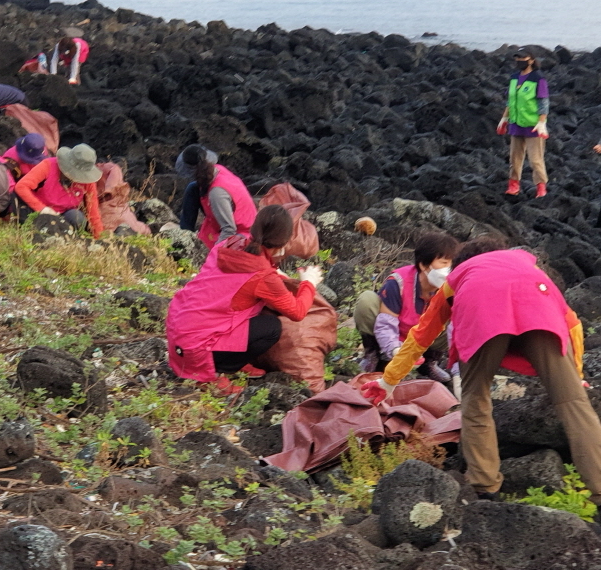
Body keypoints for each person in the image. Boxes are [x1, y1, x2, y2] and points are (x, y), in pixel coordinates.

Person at [368, 237, 601, 503]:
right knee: (573, 403)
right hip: (538, 308)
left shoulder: (457, 278)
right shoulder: (530, 267)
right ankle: (599, 488)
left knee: (476, 400)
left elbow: (421, 336)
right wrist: (576, 375)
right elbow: (573, 325)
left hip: (482, 313)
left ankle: (485, 486)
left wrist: (388, 381)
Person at [166, 205, 324, 394]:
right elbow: (297, 312)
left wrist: (274, 273)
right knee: (271, 327)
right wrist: (309, 283)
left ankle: (229, 364)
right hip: (196, 350)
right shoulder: (263, 276)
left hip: (177, 333)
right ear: (284, 242)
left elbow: (240, 275)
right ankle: (216, 374)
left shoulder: (228, 244)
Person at [352, 232, 459, 382]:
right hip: (396, 334)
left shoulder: (452, 288)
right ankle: (373, 355)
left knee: (454, 319)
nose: (448, 270)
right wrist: (396, 351)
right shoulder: (398, 282)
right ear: (423, 265)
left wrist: (459, 373)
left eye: (452, 264)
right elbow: (385, 324)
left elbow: (457, 331)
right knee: (367, 300)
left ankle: (428, 363)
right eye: (443, 263)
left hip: (426, 336)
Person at [175, 144, 258, 249]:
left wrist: (213, 255)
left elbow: (229, 230)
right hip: (226, 219)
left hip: (241, 232)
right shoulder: (217, 169)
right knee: (192, 188)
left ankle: (186, 244)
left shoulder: (217, 193)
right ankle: (185, 235)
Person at [14, 144, 104, 238]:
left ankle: (67, 239)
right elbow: (21, 186)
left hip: (64, 217)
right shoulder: (48, 165)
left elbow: (93, 211)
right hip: (38, 210)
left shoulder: (87, 181)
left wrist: (100, 238)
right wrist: (42, 208)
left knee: (77, 217)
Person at [497, 47, 549, 198]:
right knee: (515, 158)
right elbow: (510, 101)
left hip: (533, 126)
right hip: (516, 123)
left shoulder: (538, 78)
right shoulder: (514, 78)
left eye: (523, 59)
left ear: (531, 60)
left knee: (535, 160)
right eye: (517, 59)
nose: (519, 61)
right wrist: (504, 119)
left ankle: (541, 188)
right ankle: (513, 185)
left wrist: (542, 122)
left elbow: (543, 102)